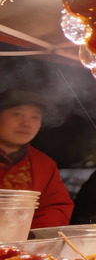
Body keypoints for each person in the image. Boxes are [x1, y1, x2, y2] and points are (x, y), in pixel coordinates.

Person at [0, 89, 73, 228]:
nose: (26, 123)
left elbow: (55, 207)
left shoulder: (44, 164)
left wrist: (33, 239)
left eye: (35, 116)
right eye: (17, 114)